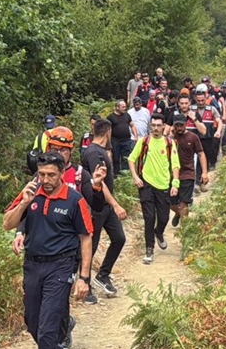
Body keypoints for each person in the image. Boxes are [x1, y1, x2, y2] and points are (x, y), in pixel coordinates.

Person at [3, 150, 93, 349]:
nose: (46, 180)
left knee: (47, 331)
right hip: (32, 265)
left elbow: (86, 237)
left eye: (51, 175)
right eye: (42, 174)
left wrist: (84, 278)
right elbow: (7, 223)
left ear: (62, 173)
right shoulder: (31, 192)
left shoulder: (75, 200)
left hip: (60, 267)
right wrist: (24, 203)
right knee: (32, 322)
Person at [80, 119, 128, 298]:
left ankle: (103, 274)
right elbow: (98, 182)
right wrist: (116, 204)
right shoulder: (94, 153)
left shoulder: (99, 151)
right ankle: (85, 284)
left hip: (106, 207)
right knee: (90, 246)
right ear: (108, 132)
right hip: (96, 206)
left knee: (119, 238)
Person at [127, 114, 179, 265]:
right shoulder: (144, 142)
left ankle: (159, 233)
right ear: (150, 126)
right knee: (149, 218)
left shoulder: (170, 143)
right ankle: (149, 249)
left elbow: (175, 164)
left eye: (158, 125)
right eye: (153, 125)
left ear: (164, 126)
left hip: (163, 185)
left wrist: (175, 184)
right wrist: (135, 177)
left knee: (163, 218)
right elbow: (131, 159)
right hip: (146, 185)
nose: (156, 128)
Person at [169, 117, 208, 227]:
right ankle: (178, 213)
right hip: (172, 175)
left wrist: (204, 172)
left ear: (186, 124)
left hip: (188, 174)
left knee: (184, 203)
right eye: (177, 125)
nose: (179, 128)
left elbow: (201, 154)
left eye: (182, 125)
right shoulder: (171, 138)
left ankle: (184, 229)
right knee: (170, 203)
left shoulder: (193, 137)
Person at [194, 88, 224, 176]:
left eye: (202, 100)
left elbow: (219, 121)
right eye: (198, 100)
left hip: (207, 138)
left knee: (206, 157)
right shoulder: (191, 109)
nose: (200, 102)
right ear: (195, 99)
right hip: (195, 138)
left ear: (205, 99)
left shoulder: (211, 109)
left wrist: (218, 131)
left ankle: (204, 177)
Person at [106, 100, 134, 176]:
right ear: (117, 107)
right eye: (123, 107)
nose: (125, 108)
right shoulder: (110, 117)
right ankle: (116, 175)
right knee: (116, 159)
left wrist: (136, 136)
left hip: (126, 141)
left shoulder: (127, 115)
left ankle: (125, 175)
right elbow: (108, 131)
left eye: (125, 107)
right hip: (115, 141)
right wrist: (108, 143)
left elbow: (132, 125)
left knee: (126, 158)